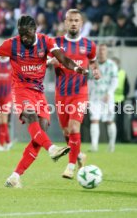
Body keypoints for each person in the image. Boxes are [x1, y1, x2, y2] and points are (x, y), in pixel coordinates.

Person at [0, 15, 99, 188]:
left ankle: (16, 176)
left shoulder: (46, 42)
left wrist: (77, 68)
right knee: (30, 116)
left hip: (39, 93)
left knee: (39, 135)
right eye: (21, 34)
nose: (24, 37)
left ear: (35, 30)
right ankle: (52, 149)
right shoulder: (11, 44)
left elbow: (63, 58)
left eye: (27, 34)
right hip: (21, 90)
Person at [47, 9, 100, 179]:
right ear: (65, 22)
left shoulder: (89, 45)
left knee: (74, 127)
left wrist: (96, 70)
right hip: (61, 94)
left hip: (80, 93)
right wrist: (51, 62)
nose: (73, 23)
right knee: (66, 132)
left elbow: (92, 61)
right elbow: (45, 61)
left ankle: (70, 167)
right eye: (70, 20)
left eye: (77, 20)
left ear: (81, 23)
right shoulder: (55, 43)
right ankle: (78, 155)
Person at [89, 44, 118, 152]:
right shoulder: (93, 65)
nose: (101, 52)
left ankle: (111, 145)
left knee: (109, 121)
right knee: (94, 120)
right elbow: (90, 81)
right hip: (95, 97)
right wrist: (88, 94)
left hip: (107, 97)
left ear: (107, 52)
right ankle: (94, 146)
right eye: (100, 50)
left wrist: (109, 93)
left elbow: (115, 81)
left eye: (103, 50)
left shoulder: (112, 65)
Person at [113, 57, 130, 143]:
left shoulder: (123, 73)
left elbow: (127, 87)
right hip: (110, 101)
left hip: (120, 100)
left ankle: (120, 138)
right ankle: (112, 139)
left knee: (120, 121)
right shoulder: (108, 73)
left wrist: (124, 95)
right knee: (110, 121)